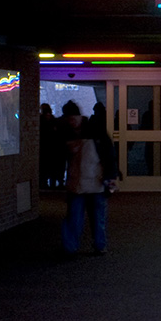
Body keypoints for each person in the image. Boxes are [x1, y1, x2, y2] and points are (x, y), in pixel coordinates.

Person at [58, 100, 118, 255]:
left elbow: (108, 155)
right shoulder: (95, 131)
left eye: (73, 118)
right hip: (93, 181)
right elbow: (109, 154)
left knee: (76, 217)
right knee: (97, 217)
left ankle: (73, 247)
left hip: (83, 181)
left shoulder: (69, 133)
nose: (72, 122)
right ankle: (99, 245)